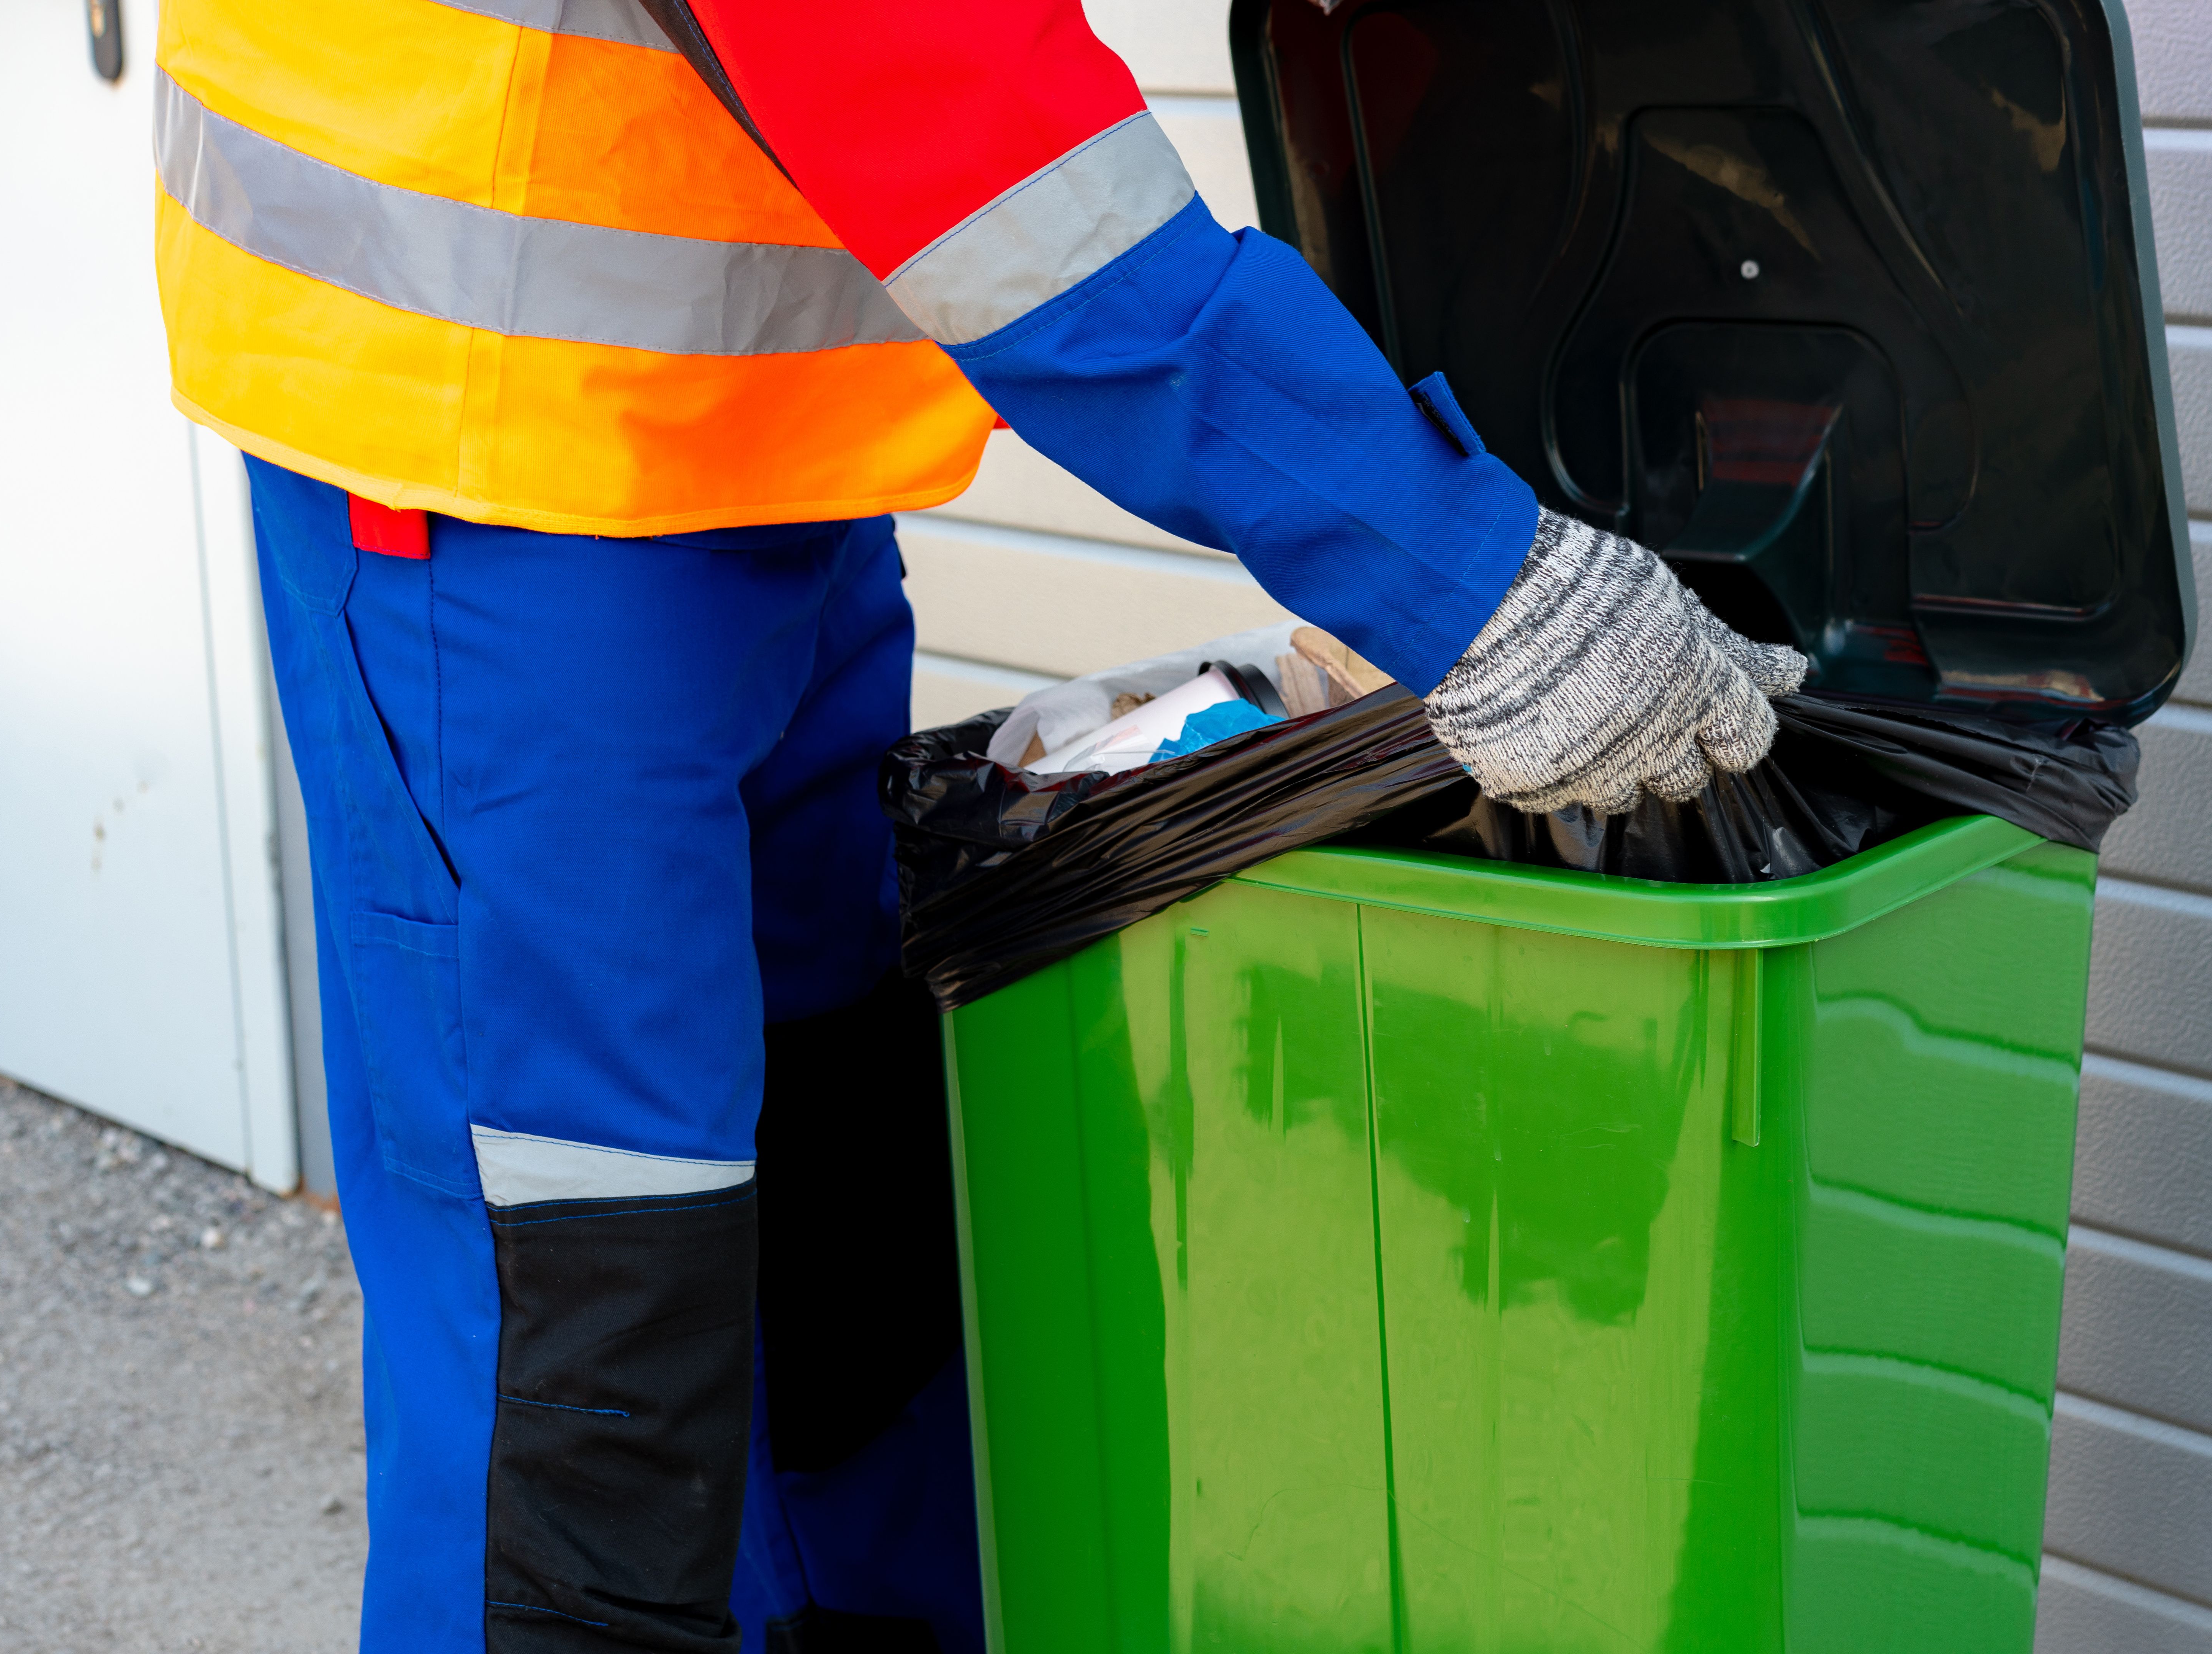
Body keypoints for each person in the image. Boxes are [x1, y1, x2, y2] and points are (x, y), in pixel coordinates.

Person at [151, 0, 1806, 1648]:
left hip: (765, 456)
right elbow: (942, 100)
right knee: (590, 1285)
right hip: (493, 473)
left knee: (837, 1191)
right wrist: (1449, 560)